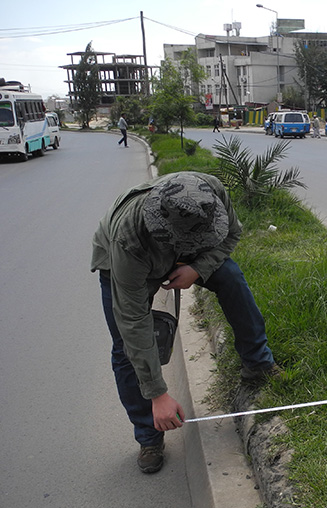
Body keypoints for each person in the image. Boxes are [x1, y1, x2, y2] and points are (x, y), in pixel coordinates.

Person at [91, 172, 282, 473]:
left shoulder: (210, 192)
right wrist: (158, 394)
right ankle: (149, 435)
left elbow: (232, 233)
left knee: (231, 278)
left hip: (191, 257)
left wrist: (197, 267)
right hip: (124, 264)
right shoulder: (128, 241)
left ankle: (258, 363)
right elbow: (133, 322)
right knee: (125, 349)